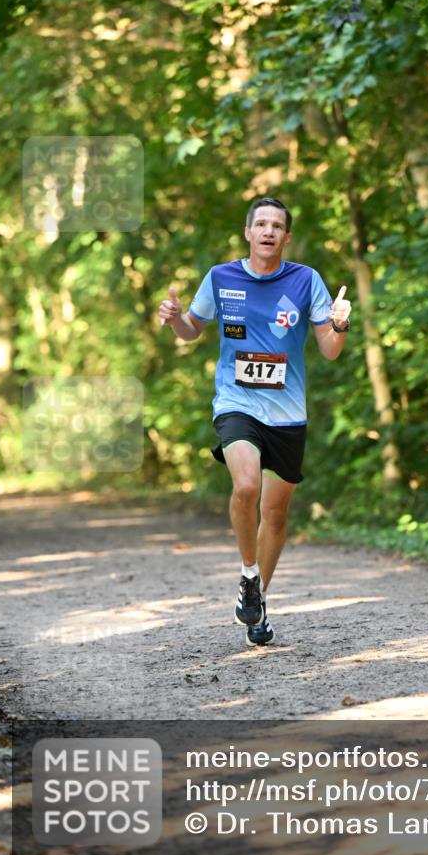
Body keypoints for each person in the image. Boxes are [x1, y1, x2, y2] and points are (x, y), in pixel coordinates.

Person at [159, 197, 352, 647]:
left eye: (277, 225)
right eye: (260, 223)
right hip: (236, 402)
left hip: (288, 412)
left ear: (286, 237)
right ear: (248, 232)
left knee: (277, 514)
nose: (268, 231)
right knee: (246, 487)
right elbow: (192, 330)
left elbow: (328, 349)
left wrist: (338, 325)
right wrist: (175, 321)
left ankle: (258, 601)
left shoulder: (306, 280)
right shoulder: (220, 277)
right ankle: (248, 574)